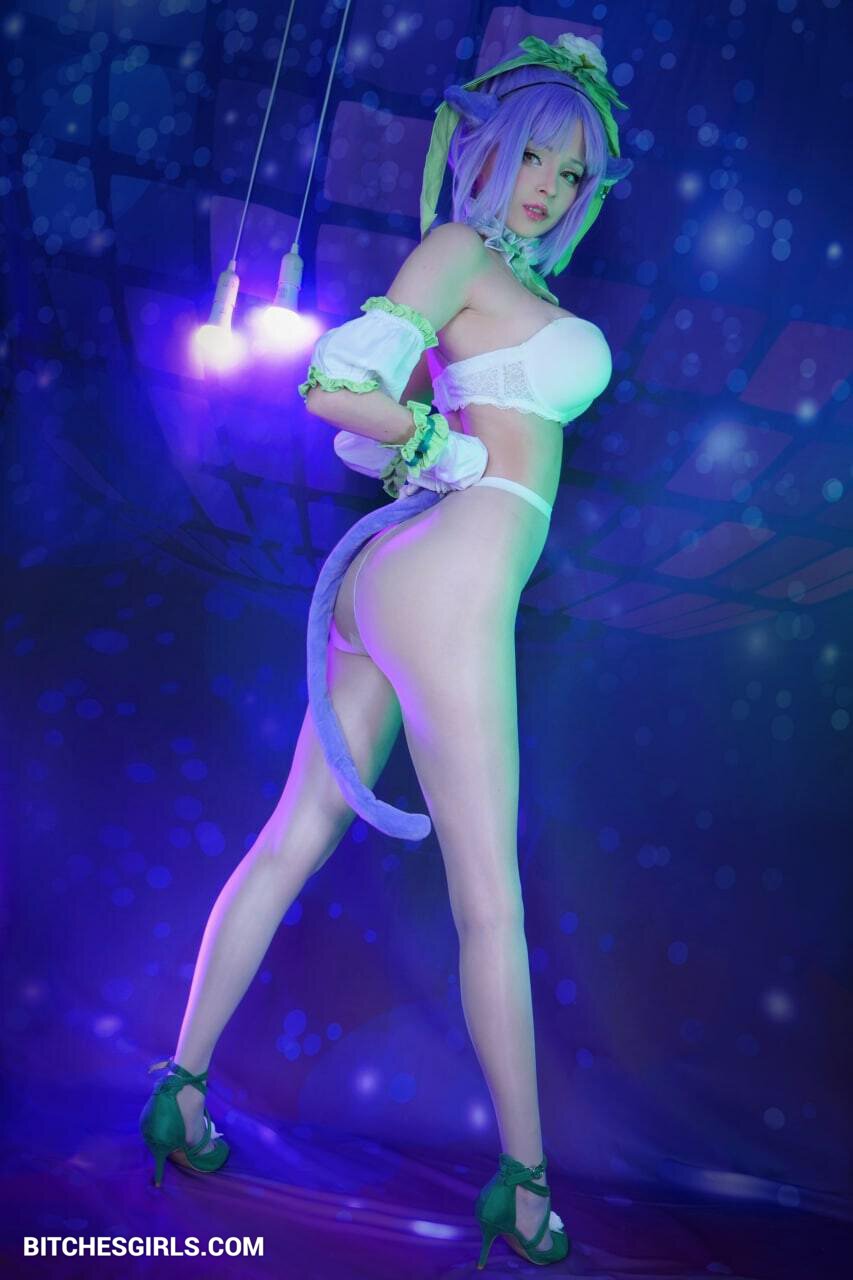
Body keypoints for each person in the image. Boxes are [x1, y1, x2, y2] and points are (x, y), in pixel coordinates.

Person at [139, 29, 632, 1270]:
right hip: (449, 575)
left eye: (571, 173)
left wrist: (429, 443)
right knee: (489, 897)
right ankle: (525, 1188)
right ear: (486, 148)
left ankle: (180, 1089)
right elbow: (331, 386)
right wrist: (430, 443)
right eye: (534, 155)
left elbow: (397, 399)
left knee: (294, 835)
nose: (547, 186)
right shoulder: (458, 248)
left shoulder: (501, 275)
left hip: (401, 577)